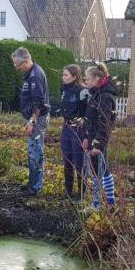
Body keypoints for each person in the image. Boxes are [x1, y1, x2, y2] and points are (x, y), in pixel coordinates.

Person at [11, 47, 50, 196]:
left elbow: (38, 103)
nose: (16, 67)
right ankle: (32, 183)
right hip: (34, 117)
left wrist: (32, 122)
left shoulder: (35, 76)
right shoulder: (30, 74)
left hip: (37, 119)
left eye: (18, 64)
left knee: (36, 152)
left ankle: (35, 188)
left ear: (26, 61)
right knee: (32, 150)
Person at [82, 63, 118, 207]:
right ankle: (110, 202)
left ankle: (97, 204)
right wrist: (86, 137)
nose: (86, 81)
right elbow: (89, 119)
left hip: (99, 139)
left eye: (88, 79)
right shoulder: (95, 94)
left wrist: (98, 144)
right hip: (92, 137)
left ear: (97, 79)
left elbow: (104, 122)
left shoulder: (105, 97)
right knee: (103, 170)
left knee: (98, 172)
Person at [59, 64, 90, 201]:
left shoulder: (83, 91)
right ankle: (68, 191)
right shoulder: (64, 89)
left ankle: (82, 193)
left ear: (75, 76)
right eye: (63, 75)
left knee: (79, 162)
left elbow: (90, 110)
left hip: (79, 130)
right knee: (67, 160)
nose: (63, 77)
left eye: (65, 75)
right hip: (67, 128)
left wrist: (85, 120)